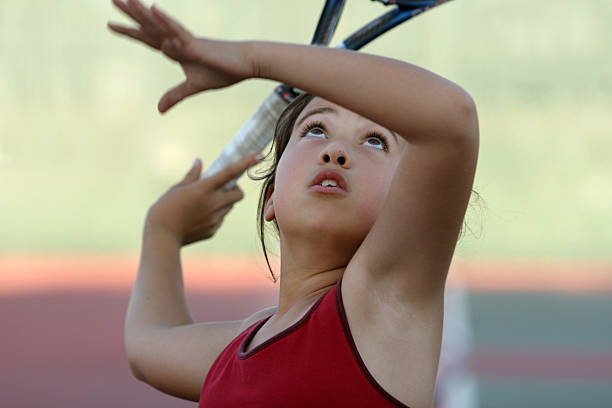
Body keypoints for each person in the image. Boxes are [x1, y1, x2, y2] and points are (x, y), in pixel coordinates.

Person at [108, 1, 480, 407]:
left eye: (375, 140)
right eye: (315, 129)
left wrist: (252, 59)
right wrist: (161, 230)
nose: (337, 150)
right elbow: (147, 346)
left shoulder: (382, 305)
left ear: (407, 199)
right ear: (270, 197)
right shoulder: (240, 346)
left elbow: (451, 119)